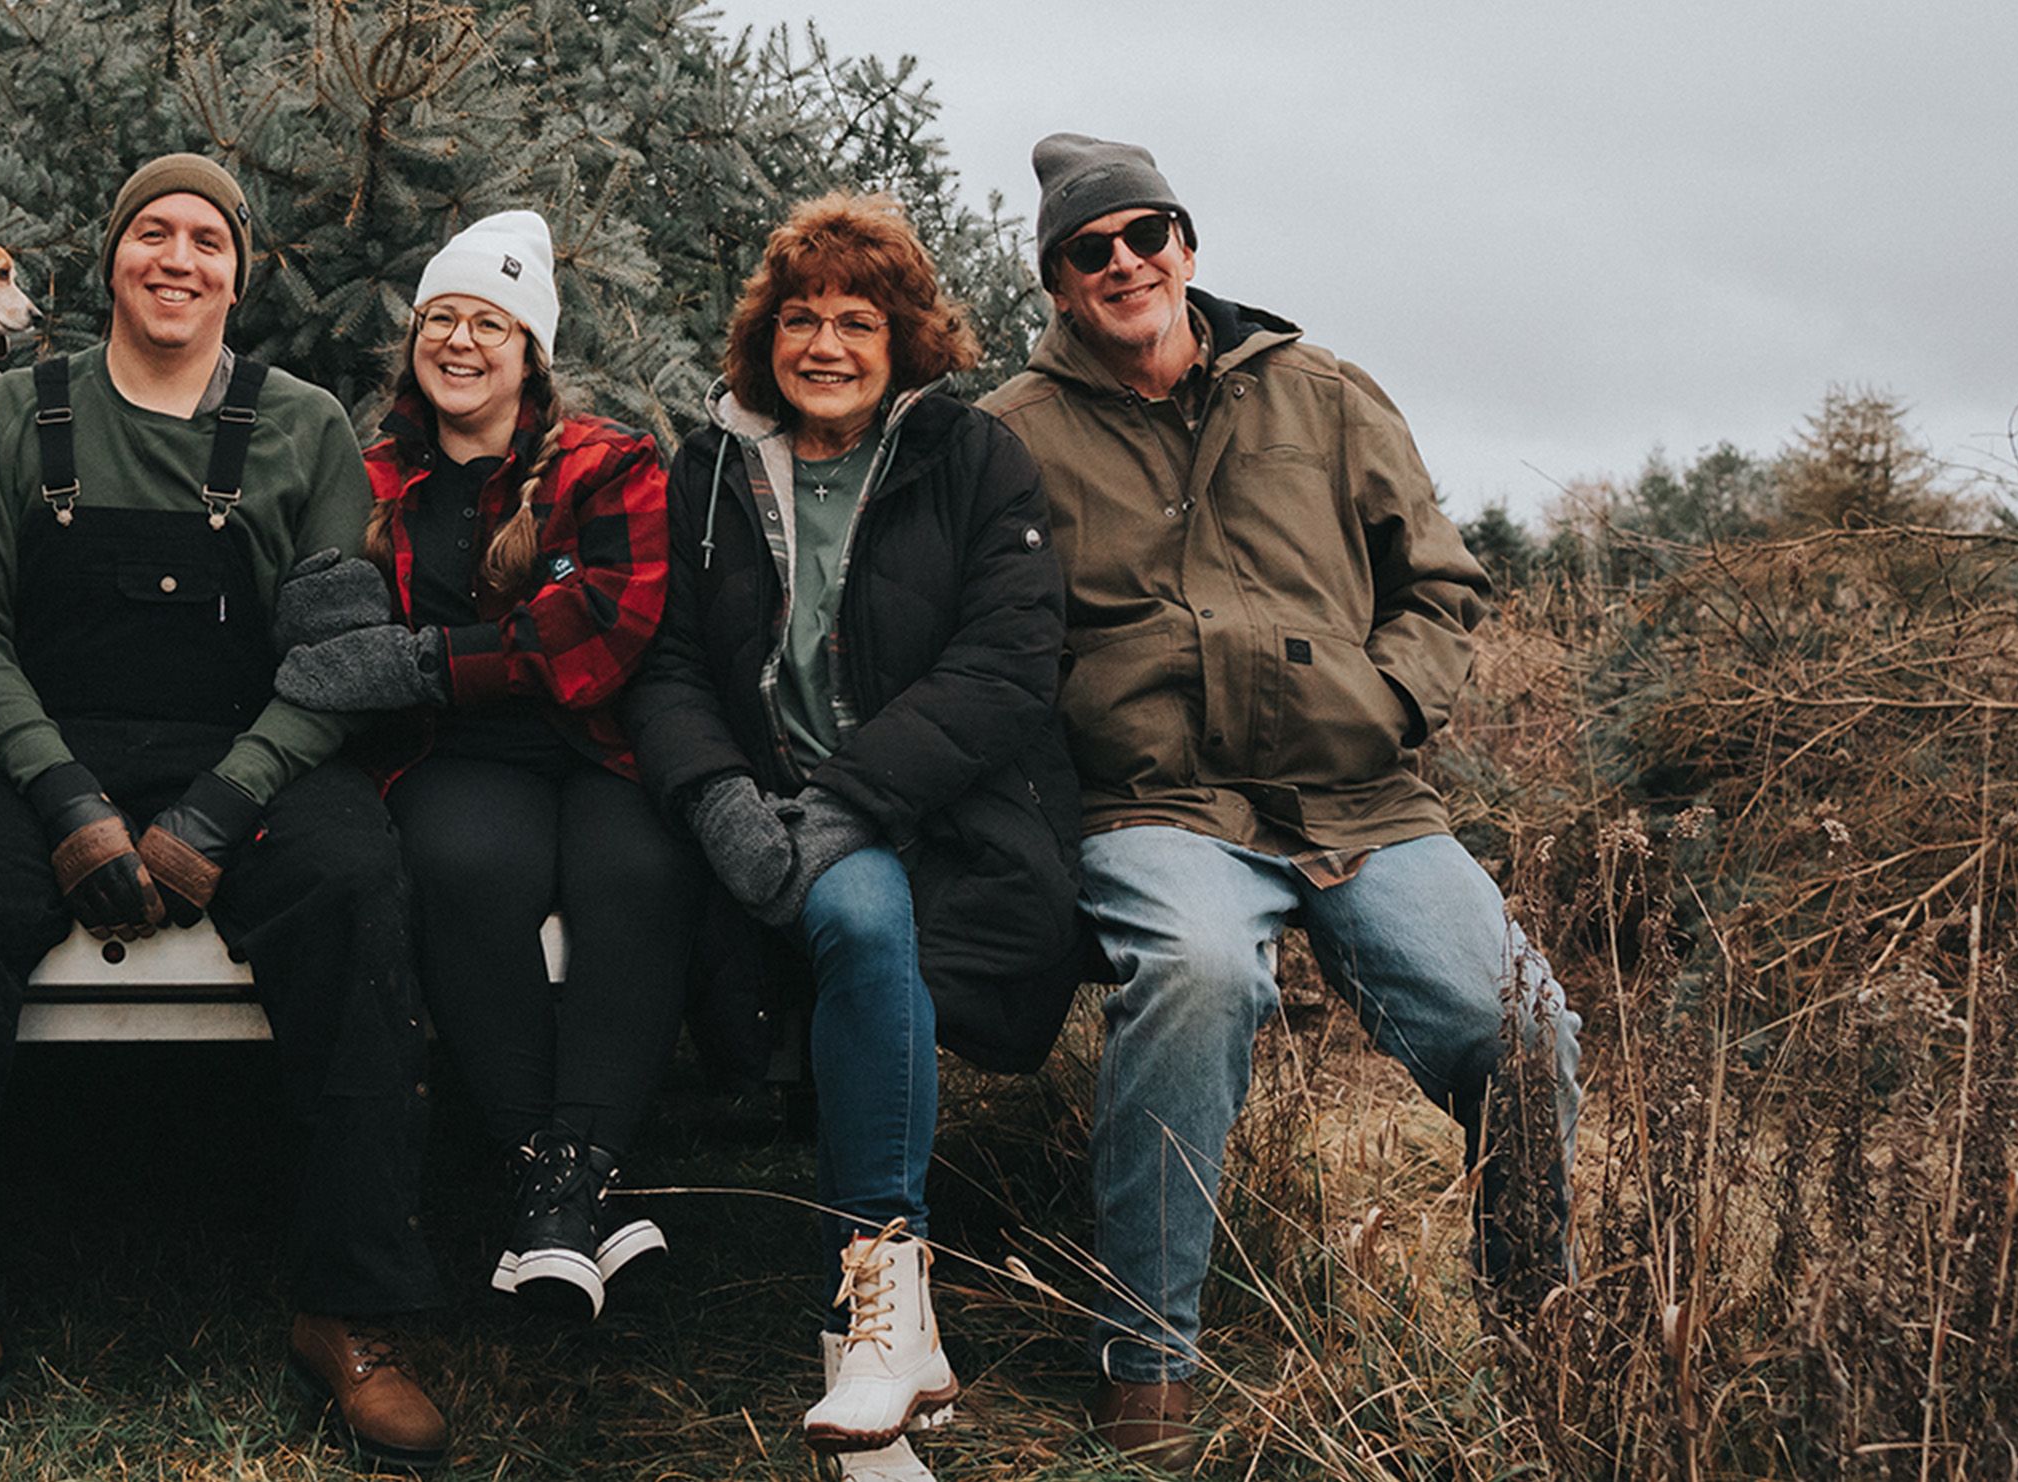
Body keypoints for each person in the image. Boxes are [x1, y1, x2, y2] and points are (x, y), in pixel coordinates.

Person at [0, 154, 451, 1472]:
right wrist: (63, 800)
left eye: (206, 239)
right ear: (112, 260)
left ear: (237, 269)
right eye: (151, 232)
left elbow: (336, 657)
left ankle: (352, 1310)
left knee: (355, 885)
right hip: (32, 745)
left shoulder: (306, 425)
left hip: (243, 749)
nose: (177, 257)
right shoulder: (17, 413)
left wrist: (224, 804)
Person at [977, 133, 1583, 1465]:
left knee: (1528, 1026)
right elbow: (984, 639)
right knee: (1199, 974)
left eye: (1148, 233)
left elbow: (1438, 578)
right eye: (1093, 248)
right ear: (1060, 282)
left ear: (1187, 247)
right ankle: (1148, 1360)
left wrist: (1393, 705)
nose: (1125, 261)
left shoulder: (1319, 390)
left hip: (1359, 800)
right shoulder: (1009, 436)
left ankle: (1538, 1341)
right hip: (1160, 803)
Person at [622, 193, 1088, 1482]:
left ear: (907, 338)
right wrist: (719, 797)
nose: (825, 343)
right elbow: (662, 663)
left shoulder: (971, 460)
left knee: (871, 922)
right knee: (845, 927)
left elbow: (1009, 660)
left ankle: (874, 1304)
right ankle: (896, 1339)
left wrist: (847, 802)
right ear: (767, 335)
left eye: (858, 321)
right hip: (752, 808)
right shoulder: (707, 469)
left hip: (911, 810)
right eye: (802, 318)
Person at [271, 210, 699, 1320]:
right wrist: (424, 674)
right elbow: (329, 630)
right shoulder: (366, 476)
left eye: (488, 324)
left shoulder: (612, 463)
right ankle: (556, 1188)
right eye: (440, 319)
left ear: (532, 349)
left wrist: (420, 659)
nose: (459, 343)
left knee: (639, 876)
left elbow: (601, 634)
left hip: (594, 745)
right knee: (464, 866)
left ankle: (564, 1187)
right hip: (455, 758)